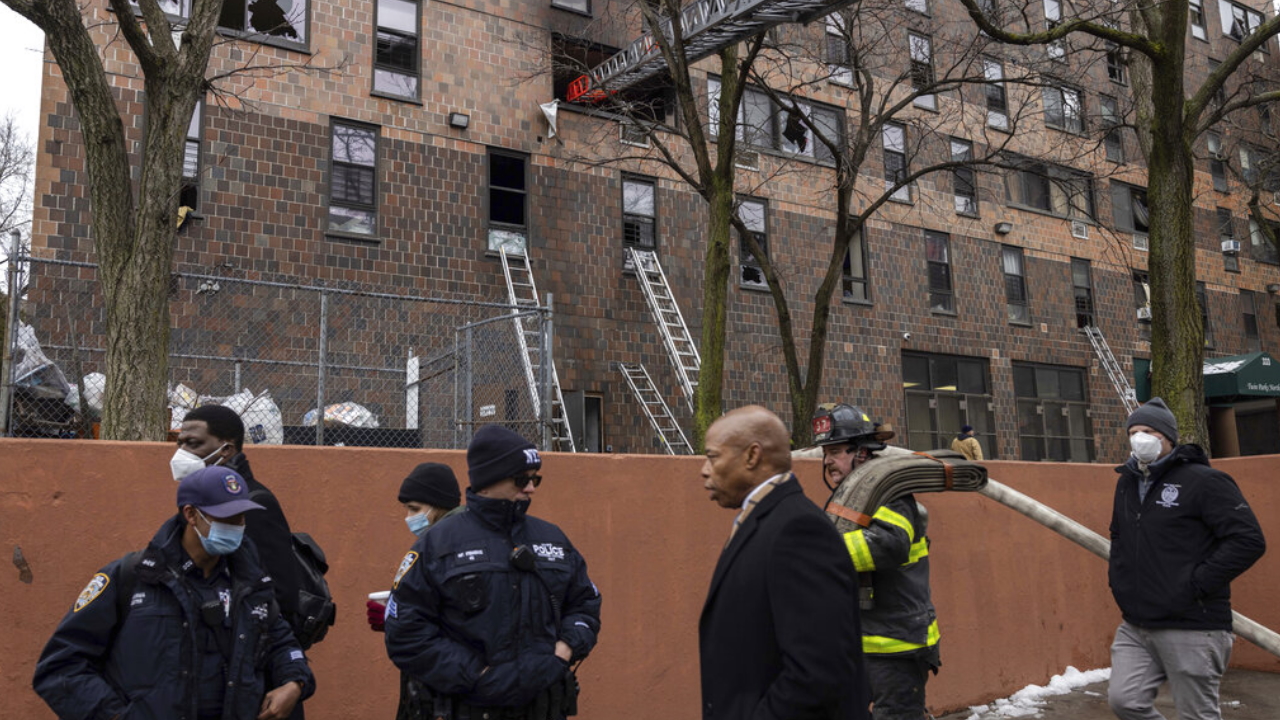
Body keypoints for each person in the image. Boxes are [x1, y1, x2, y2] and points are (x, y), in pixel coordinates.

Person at [33, 466, 315, 720]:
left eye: (241, 517)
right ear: (191, 514)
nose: (236, 526)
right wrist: (115, 715)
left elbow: (282, 643)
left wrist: (294, 683)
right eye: (226, 517)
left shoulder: (251, 581)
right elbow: (61, 667)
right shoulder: (131, 577)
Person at [384, 425, 601, 720]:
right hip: (466, 707)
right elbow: (406, 632)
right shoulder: (437, 544)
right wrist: (479, 676)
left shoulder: (553, 539)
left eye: (535, 479)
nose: (531, 488)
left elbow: (585, 604)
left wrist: (563, 651)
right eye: (521, 479)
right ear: (487, 482)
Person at [699, 405, 868, 720]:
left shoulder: (798, 530)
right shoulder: (766, 521)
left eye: (713, 457)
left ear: (752, 456)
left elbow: (819, 671)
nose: (704, 470)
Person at [1108, 397, 1265, 720]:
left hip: (1193, 624)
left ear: (1168, 437)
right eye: (1134, 431)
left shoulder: (1205, 482)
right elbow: (1119, 535)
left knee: (1197, 715)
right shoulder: (1127, 482)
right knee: (1125, 701)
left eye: (1149, 430)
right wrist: (1120, 582)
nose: (1140, 438)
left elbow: (1248, 540)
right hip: (1137, 623)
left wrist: (1193, 585)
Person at [178, 404, 312, 719]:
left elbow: (280, 600)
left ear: (225, 450)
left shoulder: (253, 505)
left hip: (254, 689)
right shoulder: (196, 507)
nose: (181, 452)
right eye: (179, 442)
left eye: (193, 443)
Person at [813, 402, 940, 720]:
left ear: (863, 453)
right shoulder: (851, 497)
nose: (828, 461)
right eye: (825, 452)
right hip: (861, 643)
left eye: (837, 451)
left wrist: (822, 552)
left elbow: (889, 545)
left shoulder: (890, 495)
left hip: (895, 646)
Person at [366, 462, 465, 720]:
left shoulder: (445, 547)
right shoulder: (441, 543)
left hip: (446, 691)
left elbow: (458, 617)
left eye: (415, 509)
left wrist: (395, 616)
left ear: (439, 507)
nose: (409, 518)